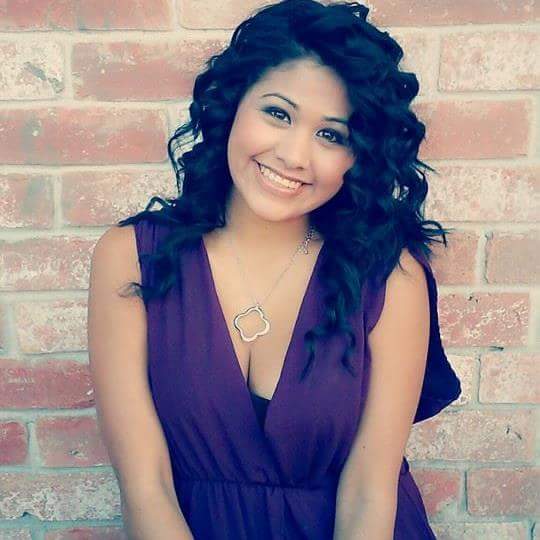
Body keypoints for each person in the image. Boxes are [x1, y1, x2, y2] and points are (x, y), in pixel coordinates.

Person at [87, 0, 462, 538]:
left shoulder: (390, 277)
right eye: (278, 114)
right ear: (233, 106)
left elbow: (369, 490)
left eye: (331, 135)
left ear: (358, 157)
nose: (294, 155)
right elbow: (146, 486)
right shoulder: (129, 257)